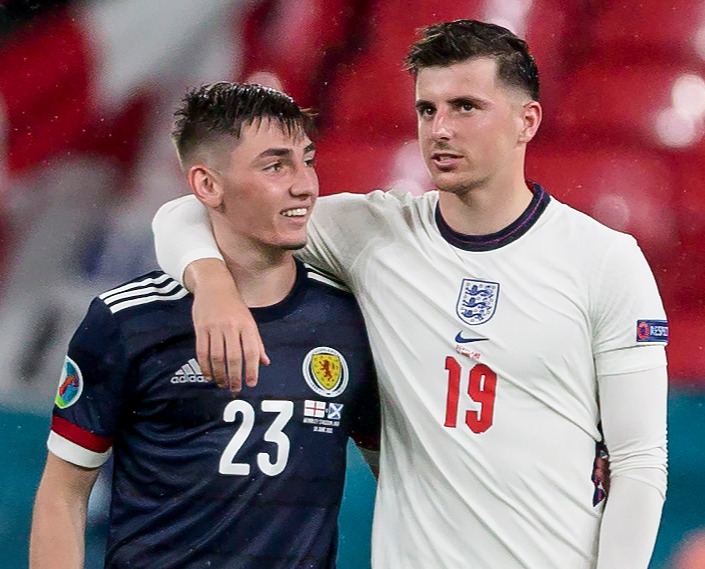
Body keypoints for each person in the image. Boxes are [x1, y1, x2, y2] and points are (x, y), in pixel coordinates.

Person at [152, 20, 668, 569]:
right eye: (428, 109)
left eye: (466, 106)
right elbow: (189, 210)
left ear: (527, 121)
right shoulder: (374, 234)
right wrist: (211, 285)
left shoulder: (604, 260)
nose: (440, 129)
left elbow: (638, 462)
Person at [29, 82, 380, 569]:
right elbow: (63, 494)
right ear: (208, 186)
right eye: (276, 165)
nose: (306, 184)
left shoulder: (349, 320)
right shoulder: (128, 320)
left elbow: (399, 477)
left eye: (308, 159)